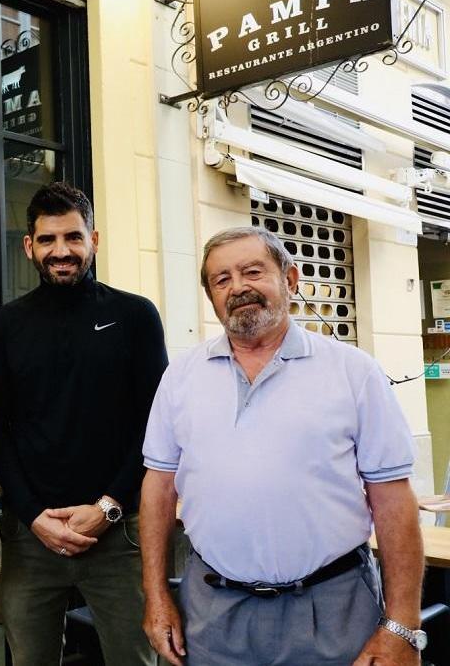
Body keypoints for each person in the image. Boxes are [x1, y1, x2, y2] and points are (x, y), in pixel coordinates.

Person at [140, 226, 424, 665]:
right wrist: (156, 597)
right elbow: (158, 489)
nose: (238, 287)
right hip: (213, 615)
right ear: (211, 296)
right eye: (222, 279)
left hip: (333, 610)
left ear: (290, 280)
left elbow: (392, 501)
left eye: (253, 271)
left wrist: (402, 625)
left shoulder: (353, 373)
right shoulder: (181, 377)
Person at [0, 182, 167, 665]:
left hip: (118, 532)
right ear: (29, 247)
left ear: (94, 240)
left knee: (135, 659)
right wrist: (31, 515)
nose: (60, 251)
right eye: (47, 240)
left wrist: (107, 507)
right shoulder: (4, 326)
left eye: (72, 237)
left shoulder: (135, 316)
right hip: (31, 538)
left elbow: (158, 427)